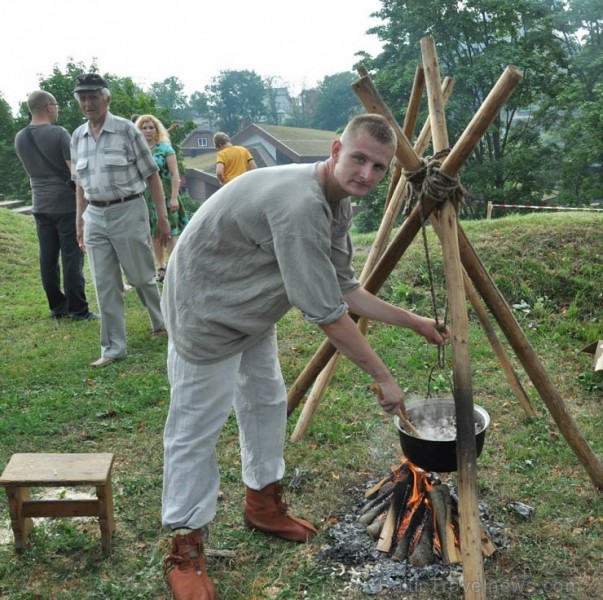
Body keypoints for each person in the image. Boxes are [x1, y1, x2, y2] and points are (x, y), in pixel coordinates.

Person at [160, 114, 449, 599]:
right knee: (195, 427)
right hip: (206, 307)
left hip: (249, 303)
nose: (366, 174)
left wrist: (415, 322)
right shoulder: (299, 205)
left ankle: (262, 502)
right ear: (336, 150)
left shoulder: (335, 204)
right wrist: (384, 377)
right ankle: (185, 545)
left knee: (266, 399)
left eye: (379, 167)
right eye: (359, 159)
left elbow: (345, 287)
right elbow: (329, 316)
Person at [70, 73, 171, 368]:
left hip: (128, 210)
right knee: (104, 283)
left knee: (141, 277)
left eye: (93, 97)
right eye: (83, 98)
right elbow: (79, 183)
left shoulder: (127, 130)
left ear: (106, 99)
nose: (88, 103)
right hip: (95, 215)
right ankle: (113, 347)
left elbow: (151, 174)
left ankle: (161, 321)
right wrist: (80, 220)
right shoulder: (78, 136)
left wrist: (162, 217)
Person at [14, 90, 97, 321]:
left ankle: (58, 308)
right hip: (66, 206)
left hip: (39, 205)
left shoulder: (20, 137)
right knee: (71, 257)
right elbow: (75, 172)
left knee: (48, 259)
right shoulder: (59, 134)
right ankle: (78, 310)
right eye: (57, 105)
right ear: (50, 106)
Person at [135, 114, 188, 282]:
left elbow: (175, 175)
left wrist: (174, 197)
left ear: (156, 130)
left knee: (172, 232)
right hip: (146, 198)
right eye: (145, 128)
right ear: (139, 130)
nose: (148, 131)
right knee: (155, 234)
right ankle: (161, 266)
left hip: (167, 195)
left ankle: (173, 266)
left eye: (151, 127)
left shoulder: (165, 149)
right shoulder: (136, 150)